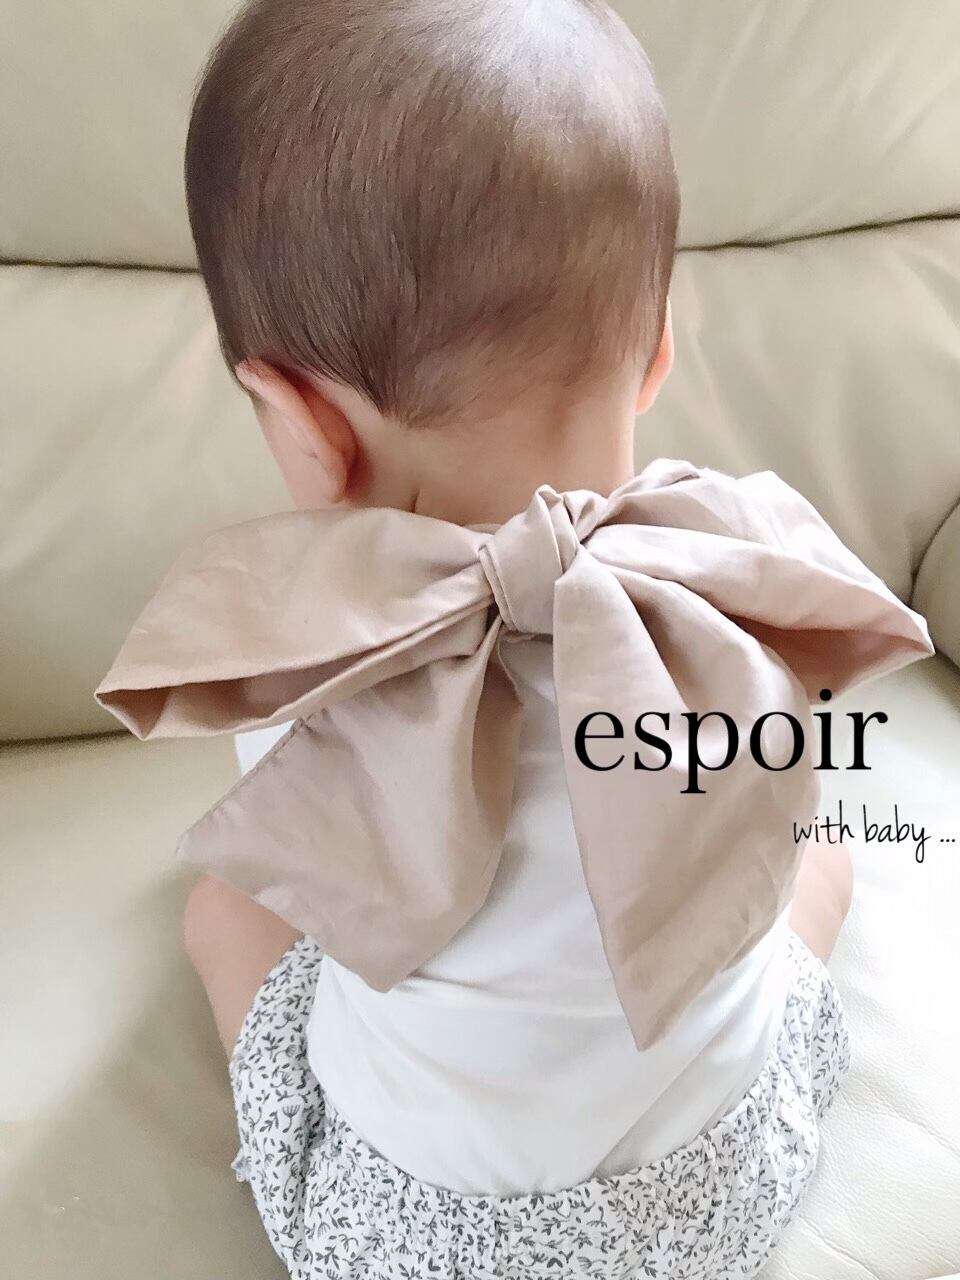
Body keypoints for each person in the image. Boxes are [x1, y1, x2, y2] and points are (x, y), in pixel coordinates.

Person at [95, 2, 932, 1275]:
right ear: (657, 349)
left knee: (228, 905)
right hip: (714, 1201)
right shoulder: (732, 600)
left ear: (301, 421)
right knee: (811, 858)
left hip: (400, 1245)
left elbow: (321, 885)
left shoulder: (308, 658)